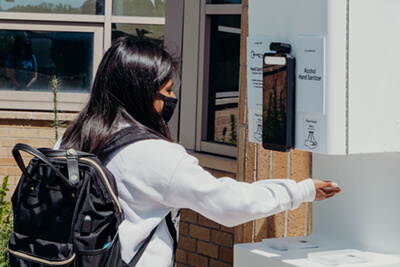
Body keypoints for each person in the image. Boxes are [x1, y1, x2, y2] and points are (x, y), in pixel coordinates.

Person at [56, 36, 341, 266]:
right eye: (166, 91)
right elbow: (230, 205)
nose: (173, 98)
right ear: (140, 92)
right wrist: (301, 191)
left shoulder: (72, 139)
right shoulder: (153, 155)